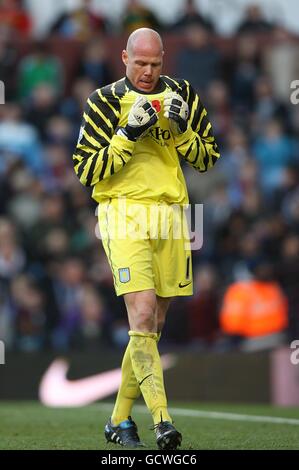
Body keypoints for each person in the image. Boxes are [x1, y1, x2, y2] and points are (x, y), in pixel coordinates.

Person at [72, 28, 220, 449]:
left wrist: (182, 129)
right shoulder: (102, 101)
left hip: (173, 215)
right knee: (140, 316)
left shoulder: (182, 93)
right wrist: (127, 133)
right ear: (124, 57)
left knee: (152, 325)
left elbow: (208, 157)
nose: (148, 72)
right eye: (140, 63)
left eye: (155, 64)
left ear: (164, 59)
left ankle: (118, 422)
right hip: (123, 212)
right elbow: (85, 171)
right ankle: (162, 422)